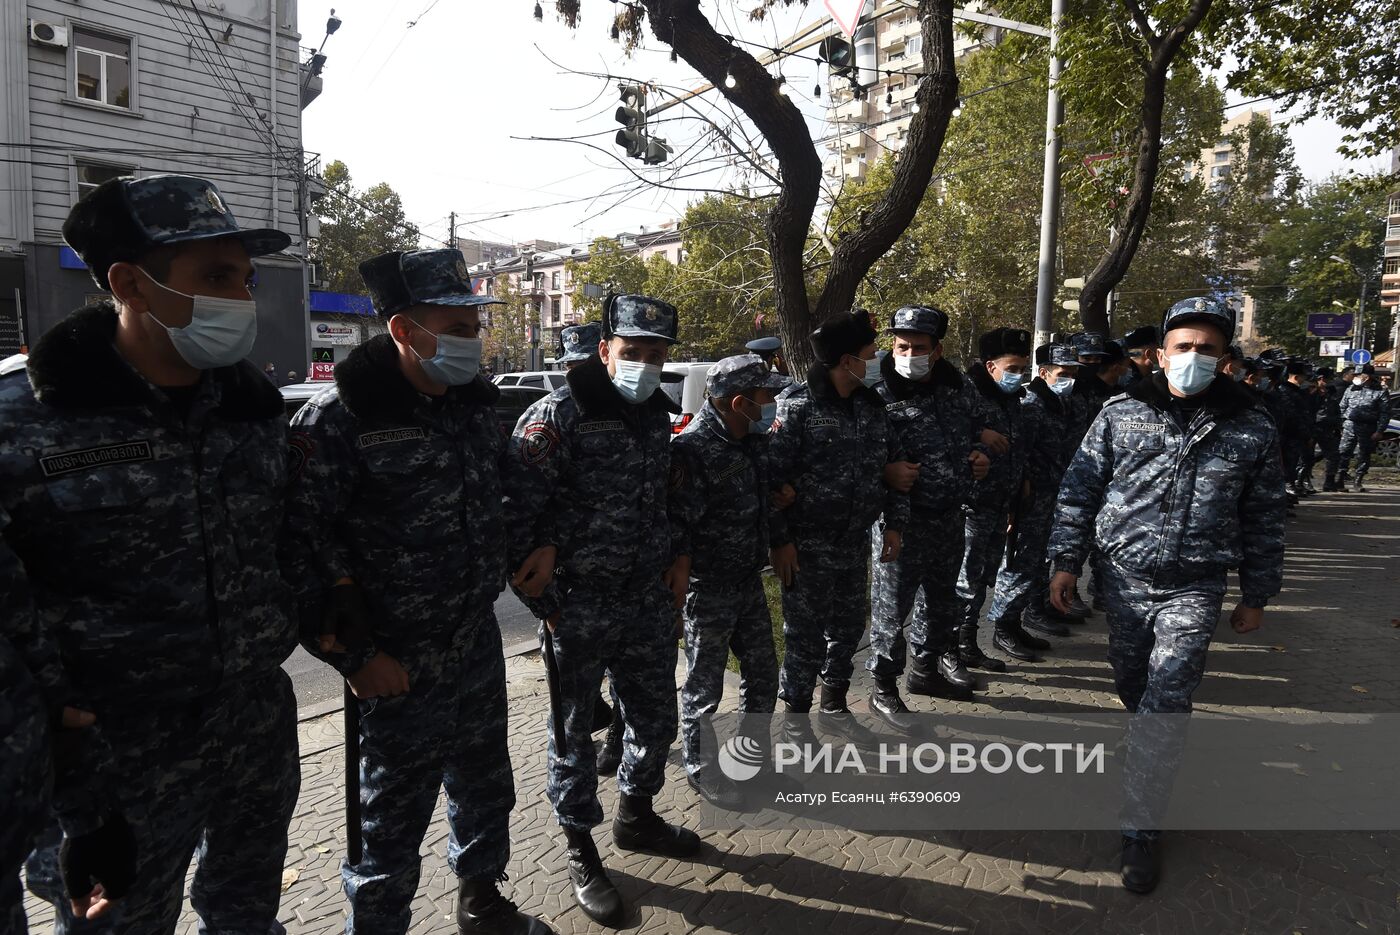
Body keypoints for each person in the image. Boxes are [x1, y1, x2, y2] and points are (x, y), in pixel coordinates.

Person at [5, 174, 299, 933]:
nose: (240, 297)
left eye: (243, 276)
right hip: (116, 765)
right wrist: (74, 799)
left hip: (253, 731)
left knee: (248, 912)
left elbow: (287, 548)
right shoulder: (26, 423)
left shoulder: (250, 412)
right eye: (214, 277)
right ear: (129, 283)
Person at [280, 248, 549, 935]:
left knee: (486, 785)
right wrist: (355, 657)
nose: (473, 341)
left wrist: (538, 541)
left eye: (474, 326)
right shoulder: (338, 422)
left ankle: (482, 899)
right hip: (393, 663)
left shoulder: (472, 410)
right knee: (389, 824)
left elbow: (509, 490)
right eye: (457, 327)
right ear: (404, 330)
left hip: (474, 640)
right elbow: (299, 548)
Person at [1047, 295, 1286, 894]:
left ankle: (1141, 829)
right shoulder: (1121, 413)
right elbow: (1079, 491)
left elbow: (1264, 517)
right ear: (1159, 355)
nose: (1193, 358)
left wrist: (1256, 593)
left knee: (1167, 697)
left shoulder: (1252, 425)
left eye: (1207, 349)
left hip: (1196, 586)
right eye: (1183, 347)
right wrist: (1064, 563)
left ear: (1226, 359)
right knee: (1133, 686)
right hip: (1122, 582)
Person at [503, 294, 698, 927]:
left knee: (655, 720)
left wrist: (676, 559)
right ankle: (580, 847)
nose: (645, 365)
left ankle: (636, 815)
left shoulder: (651, 418)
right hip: (577, 608)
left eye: (657, 354)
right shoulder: (555, 416)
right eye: (632, 353)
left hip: (645, 600)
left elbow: (660, 501)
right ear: (603, 351)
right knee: (574, 737)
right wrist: (550, 604)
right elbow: (514, 525)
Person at [767, 310, 908, 745]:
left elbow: (894, 467)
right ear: (846, 360)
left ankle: (834, 705)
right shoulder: (798, 406)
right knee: (804, 635)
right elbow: (771, 481)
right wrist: (781, 542)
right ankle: (795, 719)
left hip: (853, 542)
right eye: (870, 354)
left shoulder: (872, 407)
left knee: (847, 629)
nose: (876, 360)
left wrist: (893, 525)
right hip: (807, 547)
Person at [668, 354, 789, 807]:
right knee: (704, 687)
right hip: (709, 589)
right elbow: (677, 524)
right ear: (739, 403)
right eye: (766, 397)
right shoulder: (692, 450)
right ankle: (703, 770)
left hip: (747, 582)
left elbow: (768, 500)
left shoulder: (753, 442)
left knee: (762, 676)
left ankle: (750, 762)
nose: (773, 403)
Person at [866, 305, 990, 729]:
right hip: (901, 524)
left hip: (949, 518)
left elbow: (981, 427)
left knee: (940, 605)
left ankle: (925, 671)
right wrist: (884, 471)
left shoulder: (955, 387)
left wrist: (982, 453)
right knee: (891, 610)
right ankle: (883, 688)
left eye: (919, 347)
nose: (909, 354)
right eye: (902, 346)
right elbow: (854, 454)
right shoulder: (875, 392)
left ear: (936, 351)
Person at [959, 328, 1043, 663]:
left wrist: (1019, 482)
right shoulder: (967, 395)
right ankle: (955, 647)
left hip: (999, 502)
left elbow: (1017, 446)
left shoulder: (1010, 398)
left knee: (982, 578)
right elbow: (944, 433)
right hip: (972, 505)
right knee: (965, 580)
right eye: (1013, 368)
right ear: (991, 365)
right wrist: (978, 436)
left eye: (1023, 368)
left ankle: (969, 643)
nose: (1018, 375)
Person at [989, 344, 1082, 642]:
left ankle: (1021, 619)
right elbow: (1019, 455)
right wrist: (1016, 502)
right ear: (1044, 373)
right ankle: (1003, 626)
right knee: (1020, 563)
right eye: (1064, 373)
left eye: (1074, 373)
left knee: (1038, 562)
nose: (1070, 379)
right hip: (1031, 499)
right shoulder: (1033, 405)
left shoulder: (1060, 403)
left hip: (1052, 496)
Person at [1338, 363, 1390, 492]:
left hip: (1368, 427)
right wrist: (1341, 424)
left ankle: (1358, 480)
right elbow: (1342, 406)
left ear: (1367, 376)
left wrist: (1379, 431)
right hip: (1349, 426)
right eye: (1355, 375)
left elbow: (1385, 413)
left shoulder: (1380, 391)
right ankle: (1340, 478)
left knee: (1364, 454)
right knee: (1344, 452)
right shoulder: (1350, 389)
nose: (1356, 377)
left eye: (1359, 375)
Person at [1277, 359, 1318, 498]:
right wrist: (1304, 433)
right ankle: (1287, 489)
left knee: (1294, 463)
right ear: (1296, 377)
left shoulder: (1298, 392)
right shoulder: (1286, 391)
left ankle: (1289, 490)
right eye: (1304, 377)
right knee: (1287, 465)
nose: (1305, 380)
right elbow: (1292, 416)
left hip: (1298, 435)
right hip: (1289, 435)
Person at [1312, 367, 1345, 491]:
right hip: (1313, 426)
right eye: (1328, 379)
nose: (1330, 381)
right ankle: (1300, 481)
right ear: (1321, 379)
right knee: (1307, 456)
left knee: (1333, 455)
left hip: (1328, 428)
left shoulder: (1331, 391)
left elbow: (1336, 409)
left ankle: (1329, 482)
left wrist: (1338, 425)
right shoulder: (1311, 391)